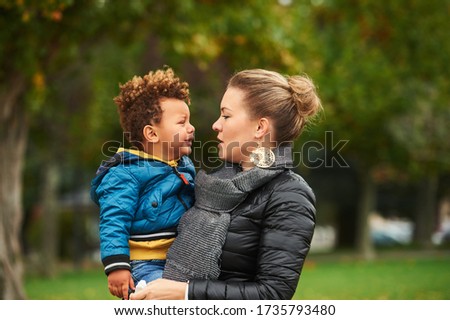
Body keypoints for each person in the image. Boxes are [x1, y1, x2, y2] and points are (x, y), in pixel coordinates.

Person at [130, 68, 322, 300]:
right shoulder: (214, 184)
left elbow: (274, 295)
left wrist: (186, 292)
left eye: (226, 115)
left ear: (260, 127)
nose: (216, 125)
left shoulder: (290, 196)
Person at [90, 68, 196, 300]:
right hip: (144, 265)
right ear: (152, 133)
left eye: (190, 121)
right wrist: (117, 265)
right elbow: (113, 220)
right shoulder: (125, 173)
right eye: (182, 122)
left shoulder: (184, 167)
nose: (191, 128)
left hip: (180, 259)